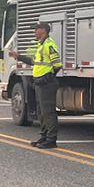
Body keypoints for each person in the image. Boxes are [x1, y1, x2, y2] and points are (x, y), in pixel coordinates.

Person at [26, 21, 62, 149]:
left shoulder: (49, 45)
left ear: (43, 31)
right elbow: (35, 63)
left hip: (46, 83)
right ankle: (44, 136)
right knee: (41, 112)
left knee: (48, 112)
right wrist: (18, 57)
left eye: (36, 29)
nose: (34, 32)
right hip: (40, 83)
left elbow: (57, 64)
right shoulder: (41, 46)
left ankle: (51, 139)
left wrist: (48, 77)